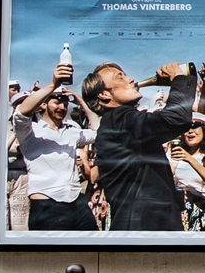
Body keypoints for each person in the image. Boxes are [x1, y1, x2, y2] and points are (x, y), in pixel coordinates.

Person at [83, 61, 195, 231]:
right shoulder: (119, 120)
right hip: (144, 232)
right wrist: (178, 78)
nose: (130, 79)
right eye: (120, 77)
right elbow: (176, 119)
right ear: (104, 94)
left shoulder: (119, 122)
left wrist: (183, 80)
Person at [12, 65, 100, 232]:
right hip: (46, 203)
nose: (62, 107)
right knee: (53, 255)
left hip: (76, 201)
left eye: (65, 103)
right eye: (56, 102)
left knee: (93, 251)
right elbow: (21, 113)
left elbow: (98, 132)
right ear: (44, 105)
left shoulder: (72, 132)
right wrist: (53, 84)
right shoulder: (31, 131)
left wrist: (81, 101)